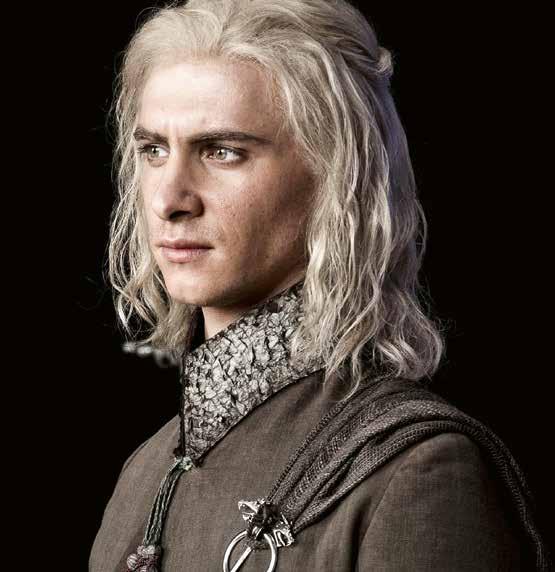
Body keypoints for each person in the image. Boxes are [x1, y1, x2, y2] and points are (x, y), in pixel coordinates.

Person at [89, 0, 551, 570]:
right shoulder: (143, 473)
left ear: (335, 176)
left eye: (223, 152)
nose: (168, 199)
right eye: (154, 150)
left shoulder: (414, 473)